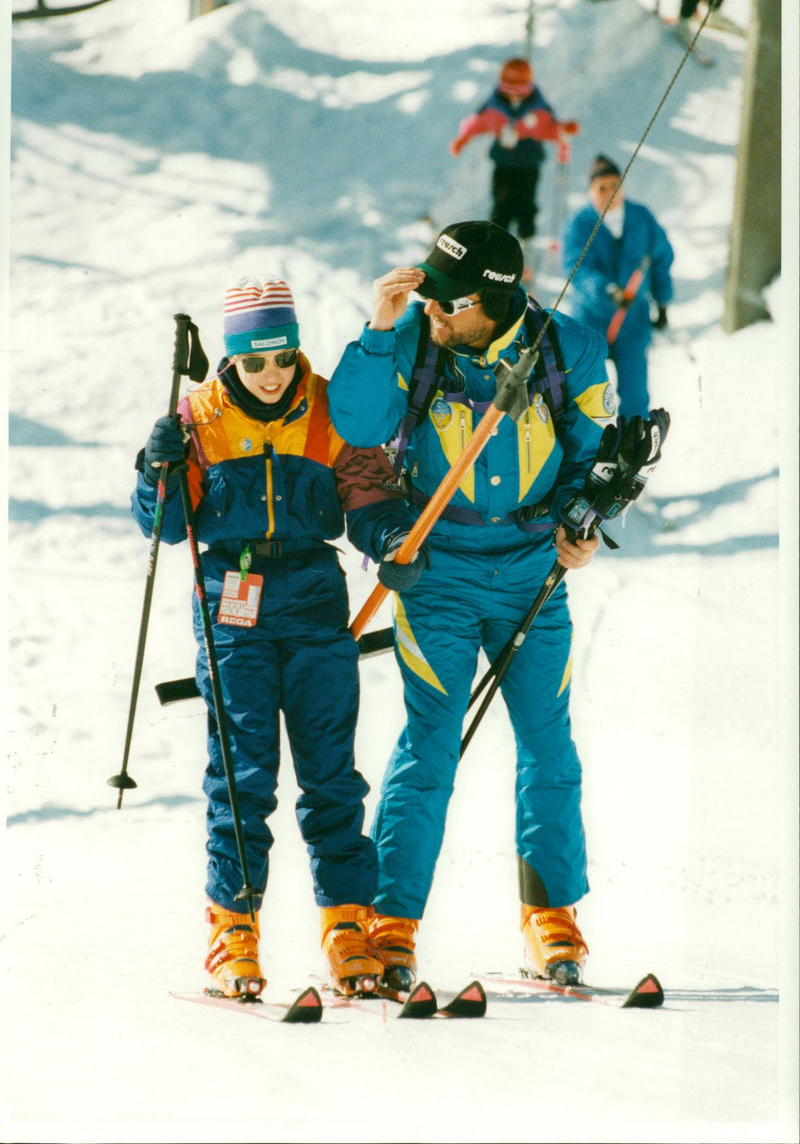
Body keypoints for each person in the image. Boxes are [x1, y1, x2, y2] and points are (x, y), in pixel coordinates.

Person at [327, 221, 617, 992]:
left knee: (548, 746)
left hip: (530, 574)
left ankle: (549, 913)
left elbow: (594, 454)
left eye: (444, 302)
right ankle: (393, 921)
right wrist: (380, 325)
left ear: (493, 300)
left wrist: (583, 523)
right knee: (430, 748)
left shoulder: (569, 352)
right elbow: (354, 426)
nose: (433, 311)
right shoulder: (415, 344)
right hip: (439, 576)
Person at [131, 275, 425, 1001]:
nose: (271, 374)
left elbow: (367, 490)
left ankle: (346, 923)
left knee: (331, 773)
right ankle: (234, 928)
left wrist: (391, 536)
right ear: (232, 359)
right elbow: (166, 527)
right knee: (242, 774)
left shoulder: (329, 409)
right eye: (256, 361)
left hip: (315, 598)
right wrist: (156, 467)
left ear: (298, 352)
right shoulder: (198, 418)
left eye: (283, 358)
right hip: (231, 605)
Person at [561, 155, 674, 420]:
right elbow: (577, 269)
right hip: (590, 321)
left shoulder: (641, 218)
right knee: (585, 392)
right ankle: (587, 451)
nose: (610, 192)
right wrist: (607, 291)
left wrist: (663, 301)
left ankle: (633, 448)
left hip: (632, 322)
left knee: (635, 393)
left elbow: (661, 258)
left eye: (615, 185)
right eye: (602, 187)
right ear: (590, 190)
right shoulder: (579, 224)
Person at [449, 58, 579, 243]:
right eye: (509, 89)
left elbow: (549, 128)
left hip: (528, 164)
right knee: (501, 205)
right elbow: (476, 123)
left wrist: (564, 129)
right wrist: (462, 139)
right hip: (504, 163)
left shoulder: (537, 110)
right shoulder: (494, 108)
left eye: (520, 90)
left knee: (526, 205)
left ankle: (525, 245)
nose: (514, 95)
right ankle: (495, 243)